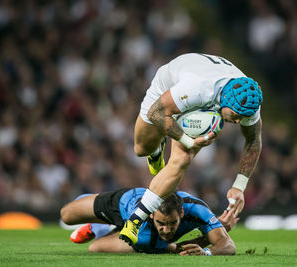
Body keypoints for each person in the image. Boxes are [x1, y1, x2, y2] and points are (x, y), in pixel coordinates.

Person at [120, 53, 263, 245]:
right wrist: (187, 140)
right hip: (170, 89)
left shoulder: (248, 102)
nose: (237, 122)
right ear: (227, 100)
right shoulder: (198, 87)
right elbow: (156, 113)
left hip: (207, 104)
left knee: (182, 160)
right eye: (236, 116)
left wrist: (239, 186)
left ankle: (135, 220)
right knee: (141, 149)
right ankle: (156, 150)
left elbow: (253, 140)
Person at [60, 188, 238, 255]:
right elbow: (177, 248)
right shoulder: (146, 233)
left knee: (94, 247)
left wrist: (207, 252)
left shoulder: (198, 210)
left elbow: (229, 246)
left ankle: (100, 230)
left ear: (182, 212)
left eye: (171, 223)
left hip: (140, 234)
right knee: (67, 215)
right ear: (151, 214)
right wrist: (210, 235)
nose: (166, 230)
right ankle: (97, 224)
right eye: (161, 223)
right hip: (123, 203)